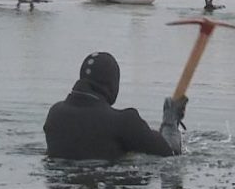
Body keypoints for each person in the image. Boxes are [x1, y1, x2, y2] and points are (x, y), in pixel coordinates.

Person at [44, 52, 187, 160]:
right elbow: (170, 154)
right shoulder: (124, 122)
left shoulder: (55, 115)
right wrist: (170, 122)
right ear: (112, 85)